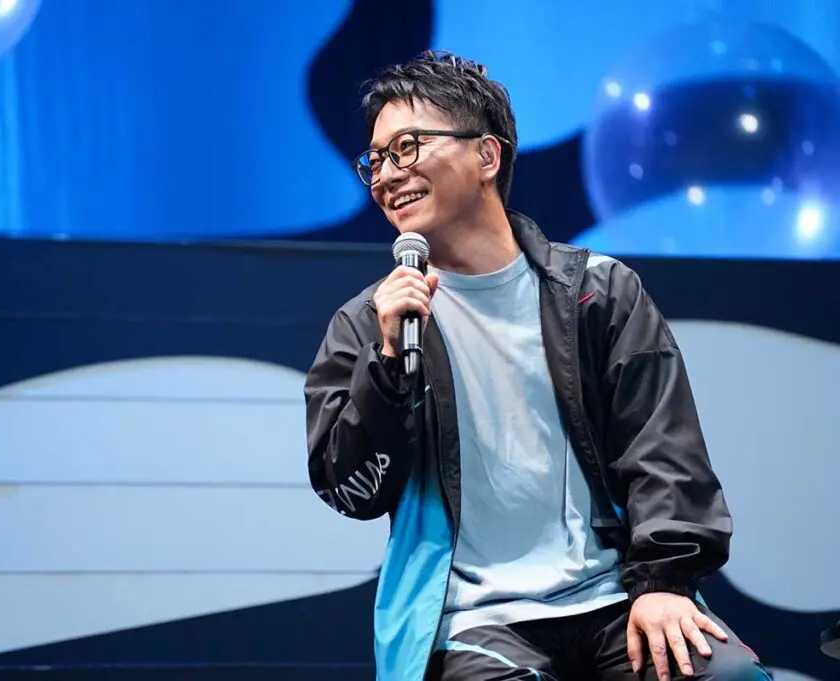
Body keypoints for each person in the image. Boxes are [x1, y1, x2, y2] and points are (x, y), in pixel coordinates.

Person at [304, 50, 772, 681]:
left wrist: (664, 581)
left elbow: (662, 449)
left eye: (407, 147)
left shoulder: (598, 292)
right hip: (473, 621)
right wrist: (387, 365)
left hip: (615, 597)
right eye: (376, 159)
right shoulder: (368, 324)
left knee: (730, 677)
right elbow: (349, 491)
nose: (387, 174)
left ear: (486, 156)